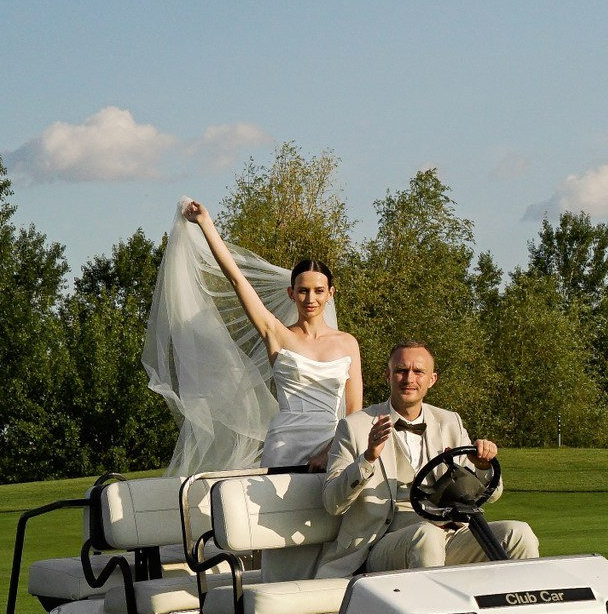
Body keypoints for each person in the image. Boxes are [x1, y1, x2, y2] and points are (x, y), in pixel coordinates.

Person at [178, 198, 364, 475]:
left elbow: (354, 412)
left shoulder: (347, 343)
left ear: (330, 294)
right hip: (284, 447)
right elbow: (237, 280)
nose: (310, 299)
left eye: (318, 291)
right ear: (291, 293)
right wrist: (206, 224)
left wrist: (331, 450)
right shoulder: (276, 333)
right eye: (303, 291)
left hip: (332, 446)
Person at [318, 340, 539, 572]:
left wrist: (483, 466)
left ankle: (526, 597)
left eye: (418, 372)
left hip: (449, 535)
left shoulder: (450, 422)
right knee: (427, 535)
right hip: (380, 544)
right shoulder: (355, 426)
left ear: (432, 379)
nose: (409, 379)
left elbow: (491, 495)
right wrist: (368, 458)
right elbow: (332, 503)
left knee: (518, 534)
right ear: (388, 376)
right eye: (401, 370)